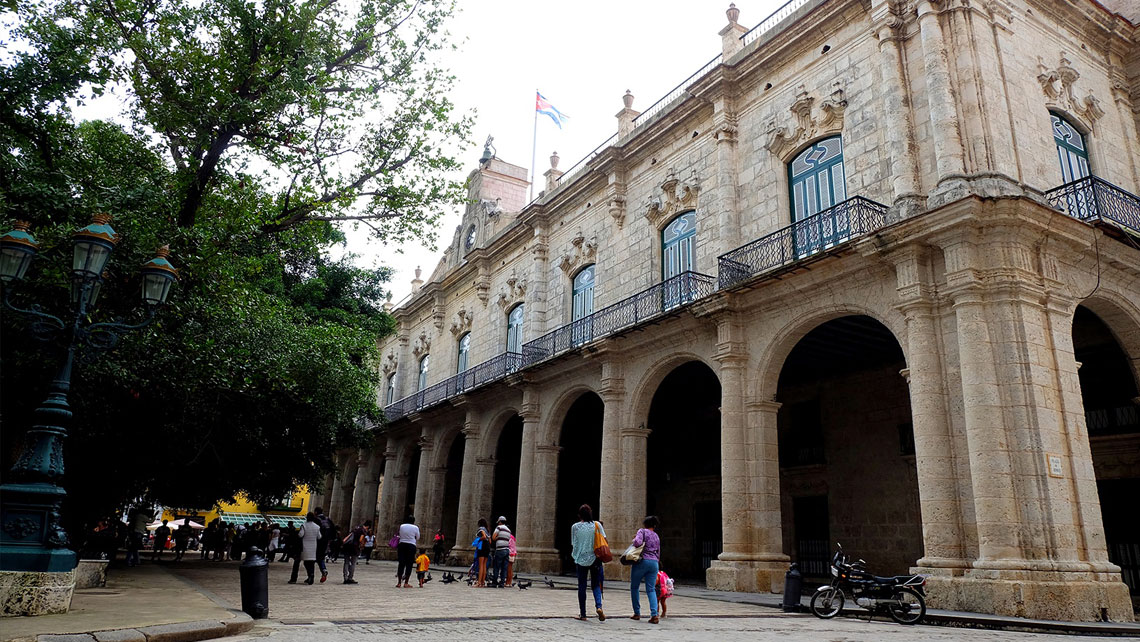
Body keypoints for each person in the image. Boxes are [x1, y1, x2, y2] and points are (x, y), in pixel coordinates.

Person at [570, 504, 605, 622]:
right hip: (595, 558)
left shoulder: (575, 527)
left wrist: (575, 556)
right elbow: (603, 540)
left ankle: (583, 614)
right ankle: (599, 607)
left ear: (579, 515)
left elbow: (574, 543)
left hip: (581, 559)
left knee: (582, 586)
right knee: (595, 584)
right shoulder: (597, 525)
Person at [628, 515, 661, 624]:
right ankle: (654, 614)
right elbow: (658, 552)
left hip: (643, 561)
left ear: (645, 524)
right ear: (654, 525)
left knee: (634, 587)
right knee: (651, 589)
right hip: (654, 563)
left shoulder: (642, 531)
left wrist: (634, 539)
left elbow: (637, 542)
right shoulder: (656, 536)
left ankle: (637, 613)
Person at [288, 512, 322, 585]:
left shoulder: (304, 525)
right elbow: (319, 536)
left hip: (304, 547)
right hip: (313, 547)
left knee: (297, 562)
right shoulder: (317, 526)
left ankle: (294, 578)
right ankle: (311, 575)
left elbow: (301, 535)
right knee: (310, 563)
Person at [341, 520, 370, 585]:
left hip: (347, 546)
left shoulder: (356, 528)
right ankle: (350, 578)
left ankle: (345, 577)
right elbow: (360, 540)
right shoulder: (363, 531)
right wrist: (362, 544)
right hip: (354, 548)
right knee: (353, 563)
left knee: (346, 562)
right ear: (368, 527)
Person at [396, 515, 420, 588]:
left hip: (402, 544)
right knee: (409, 564)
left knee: (401, 563)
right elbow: (418, 537)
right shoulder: (415, 527)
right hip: (411, 545)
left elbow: (399, 534)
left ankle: (399, 582)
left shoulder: (402, 526)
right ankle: (406, 583)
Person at [491, 516, 512, 588]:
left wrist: (498, 537)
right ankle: (502, 583)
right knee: (504, 567)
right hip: (507, 550)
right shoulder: (509, 530)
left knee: (496, 566)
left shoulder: (499, 528)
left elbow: (493, 537)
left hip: (500, 550)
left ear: (500, 522)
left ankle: (494, 582)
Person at [313, 507, 332, 583]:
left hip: (316, 541)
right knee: (321, 558)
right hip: (325, 542)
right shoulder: (328, 520)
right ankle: (323, 569)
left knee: (311, 559)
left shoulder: (315, 520)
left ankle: (310, 575)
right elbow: (332, 531)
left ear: (316, 512)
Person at [473, 518, 491, 588]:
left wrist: (478, 540)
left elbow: (484, 536)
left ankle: (479, 582)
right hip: (487, 547)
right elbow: (490, 541)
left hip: (482, 546)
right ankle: (483, 582)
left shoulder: (481, 529)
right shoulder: (488, 530)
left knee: (481, 565)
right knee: (484, 565)